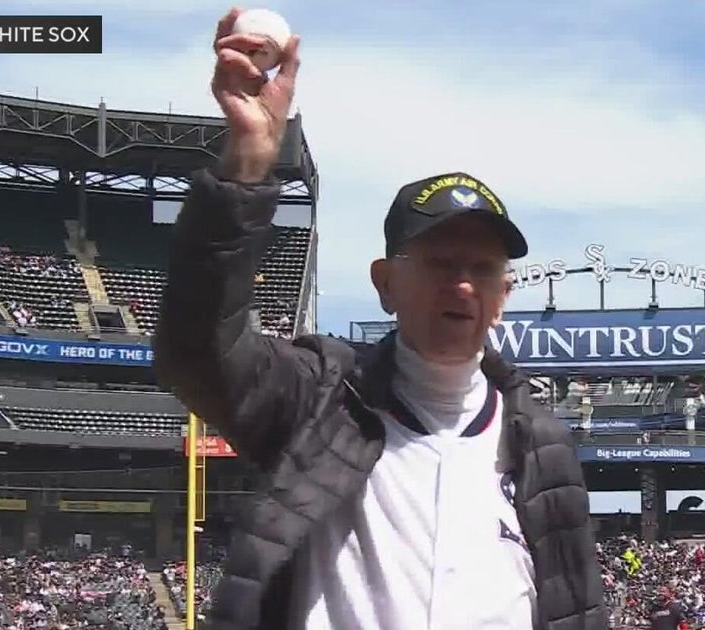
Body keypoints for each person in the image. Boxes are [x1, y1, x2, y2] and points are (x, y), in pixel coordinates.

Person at [152, 7, 605, 630]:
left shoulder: (541, 441)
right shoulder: (320, 398)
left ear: (503, 294)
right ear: (386, 284)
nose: (464, 284)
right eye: (442, 263)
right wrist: (249, 163)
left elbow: (574, 609)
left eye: (484, 268)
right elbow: (195, 347)